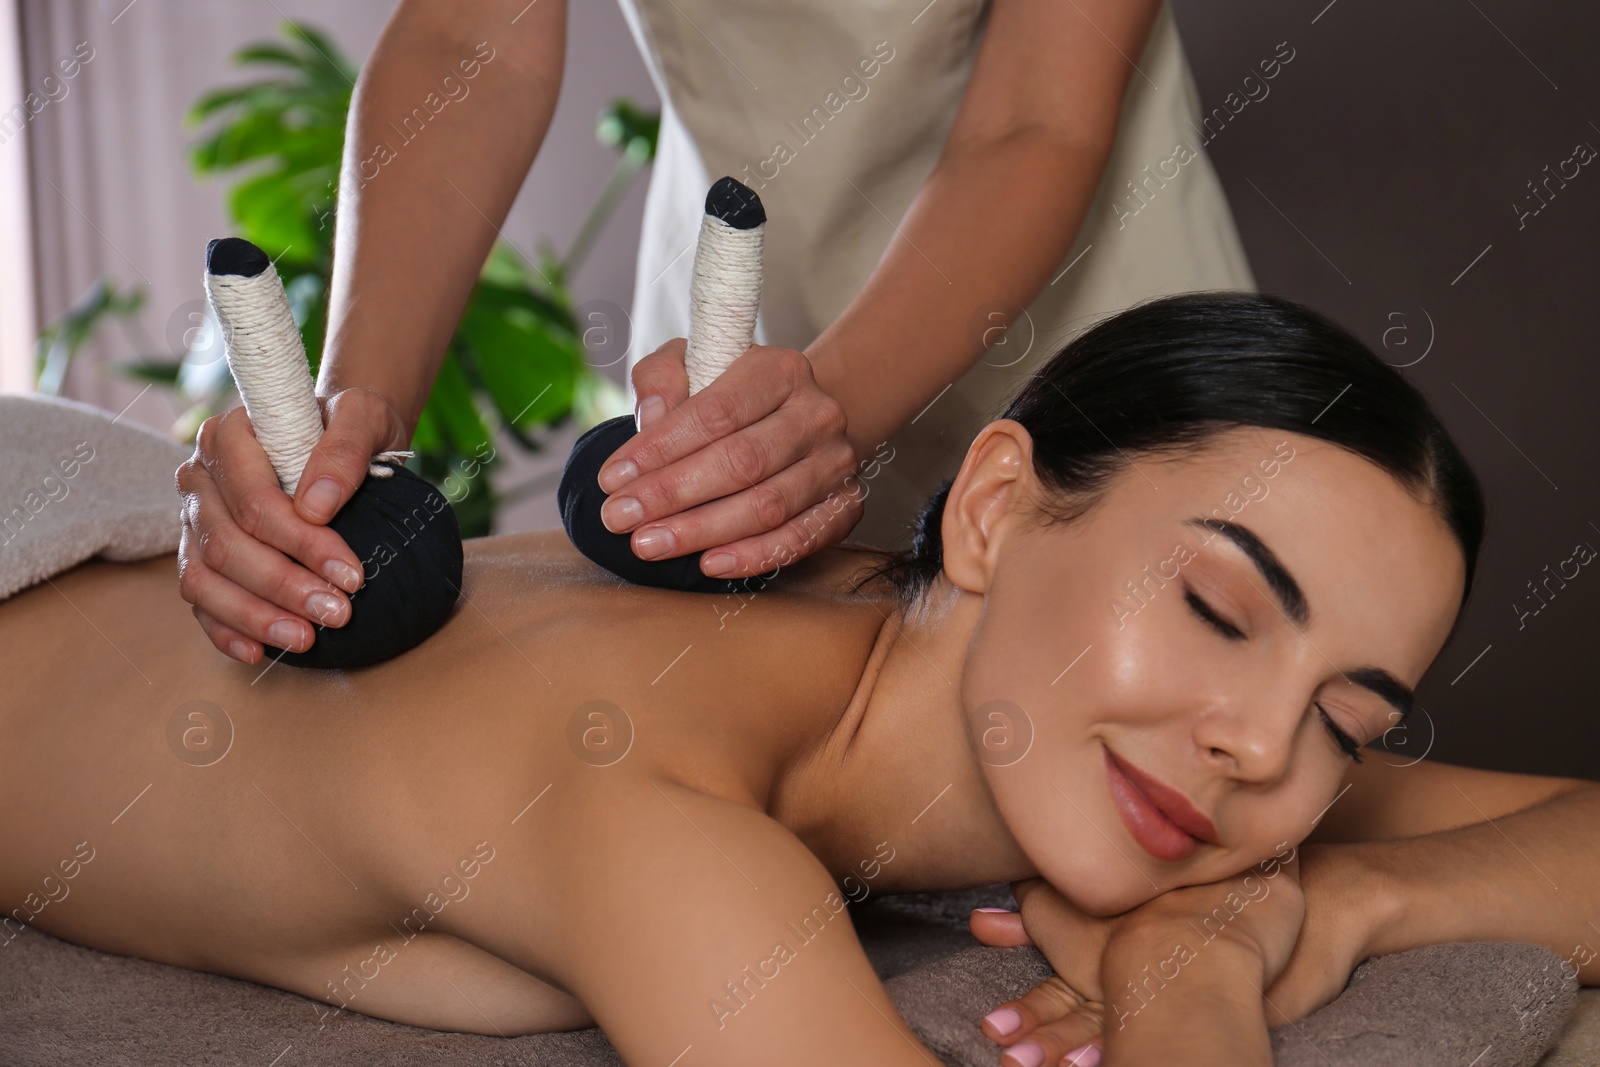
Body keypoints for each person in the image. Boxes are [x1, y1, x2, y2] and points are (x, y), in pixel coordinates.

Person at [13, 294, 1600, 1067]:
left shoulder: (914, 635)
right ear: (991, 509)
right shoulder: (651, 795)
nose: (1260, 743)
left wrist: (1327, 905)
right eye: (1216, 604)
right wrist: (1189, 979)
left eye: (1350, 723)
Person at [175, 0, 1257, 665]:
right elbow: (473, 38)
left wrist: (828, 411)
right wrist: (352, 411)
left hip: (1077, 300)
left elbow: (1039, 118)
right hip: (739, 308)